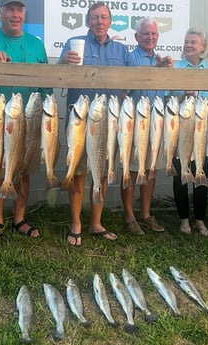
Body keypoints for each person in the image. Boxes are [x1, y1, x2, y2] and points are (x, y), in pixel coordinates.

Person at [0, 0, 51, 243]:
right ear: (1, 12)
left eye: (19, 10)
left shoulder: (36, 45)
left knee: (23, 168)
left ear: (24, 14)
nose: (15, 15)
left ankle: (19, 218)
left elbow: (46, 82)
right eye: (10, 9)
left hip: (29, 118)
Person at [58, 3, 136, 246]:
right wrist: (64, 65)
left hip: (110, 121)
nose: (99, 22)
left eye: (104, 17)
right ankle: (76, 224)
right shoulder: (73, 42)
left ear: (111, 21)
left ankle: (96, 223)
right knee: (79, 173)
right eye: (94, 18)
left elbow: (132, 83)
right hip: (80, 122)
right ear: (87, 21)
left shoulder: (122, 51)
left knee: (102, 173)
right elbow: (57, 76)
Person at [122, 16, 172, 235]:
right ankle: (129, 216)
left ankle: (145, 214)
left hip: (158, 124)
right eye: (145, 34)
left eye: (153, 34)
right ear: (136, 36)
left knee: (151, 170)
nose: (150, 38)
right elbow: (125, 91)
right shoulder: (130, 59)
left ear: (158, 37)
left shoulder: (163, 60)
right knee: (132, 170)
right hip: (136, 125)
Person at [171, 27, 208, 237]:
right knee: (181, 175)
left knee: (201, 175)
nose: (188, 45)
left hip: (204, 131)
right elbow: (166, 101)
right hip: (180, 131)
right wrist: (183, 95)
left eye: (193, 42)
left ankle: (200, 220)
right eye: (186, 42)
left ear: (203, 47)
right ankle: (183, 220)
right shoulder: (176, 68)